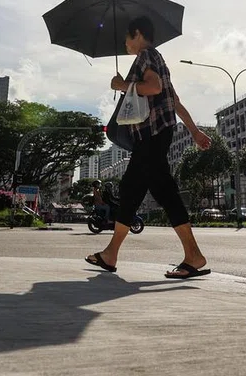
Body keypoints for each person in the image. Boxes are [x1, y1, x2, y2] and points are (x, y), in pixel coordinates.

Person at [85, 16, 212, 279]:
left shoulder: (145, 56)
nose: (126, 45)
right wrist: (194, 131)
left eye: (127, 39)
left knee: (164, 190)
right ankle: (111, 254)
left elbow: (153, 88)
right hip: (154, 135)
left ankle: (194, 256)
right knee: (131, 190)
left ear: (138, 34)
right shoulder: (158, 60)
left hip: (152, 134)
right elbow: (173, 100)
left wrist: (122, 85)